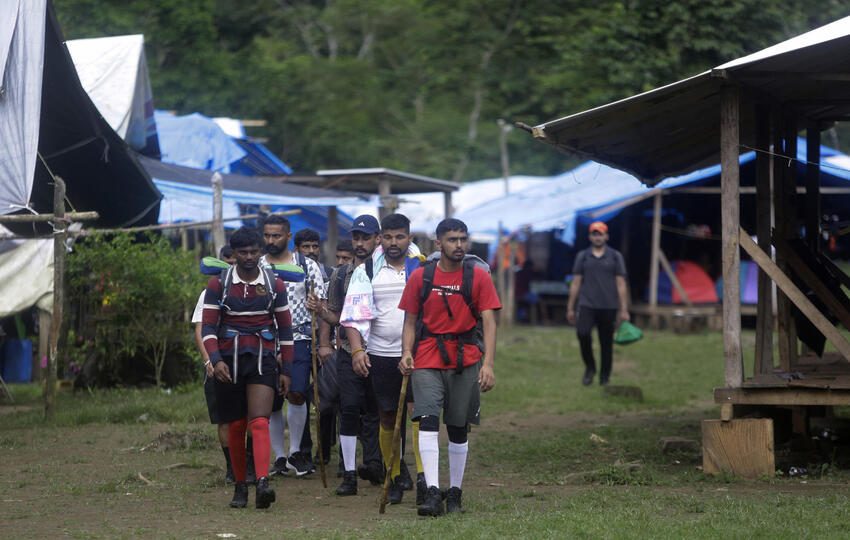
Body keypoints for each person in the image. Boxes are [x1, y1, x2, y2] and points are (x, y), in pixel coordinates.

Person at [399, 218, 500, 516]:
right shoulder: (421, 277)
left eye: (463, 239)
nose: (459, 245)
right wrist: (406, 352)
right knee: (427, 420)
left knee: (458, 426)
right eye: (452, 239)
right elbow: (409, 321)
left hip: (466, 357)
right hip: (427, 356)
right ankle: (432, 492)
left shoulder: (478, 276)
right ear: (438, 243)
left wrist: (488, 364)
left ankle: (455, 493)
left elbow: (490, 322)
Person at [202, 227, 294, 509]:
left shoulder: (275, 284)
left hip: (263, 359)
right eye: (243, 253)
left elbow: (285, 330)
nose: (249, 257)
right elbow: (207, 328)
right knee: (237, 424)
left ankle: (263, 482)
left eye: (254, 252)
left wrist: (287, 370)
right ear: (234, 253)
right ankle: (240, 486)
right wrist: (215, 360)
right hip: (228, 361)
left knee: (259, 421)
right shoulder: (218, 284)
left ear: (260, 252)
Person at [340, 213, 424, 505]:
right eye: (388, 237)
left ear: (409, 238)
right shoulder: (367, 270)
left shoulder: (421, 268)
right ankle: (396, 475)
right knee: (387, 415)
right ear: (380, 239)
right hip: (380, 354)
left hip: (419, 353)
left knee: (419, 412)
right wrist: (357, 351)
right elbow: (352, 316)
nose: (393, 242)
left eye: (400, 236)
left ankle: (424, 478)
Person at [316, 215, 384, 495]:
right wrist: (321, 312)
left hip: (380, 350)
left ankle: (376, 464)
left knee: (377, 410)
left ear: (377, 239)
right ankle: (349, 473)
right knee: (349, 409)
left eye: (366, 238)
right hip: (347, 349)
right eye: (356, 237)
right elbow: (336, 316)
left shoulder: (386, 272)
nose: (360, 243)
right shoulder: (341, 275)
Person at [261, 215, 327, 477]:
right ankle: (279, 456)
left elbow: (322, 305)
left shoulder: (306, 266)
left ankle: (295, 452)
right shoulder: (258, 266)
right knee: (271, 400)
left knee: (297, 393)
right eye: (267, 235)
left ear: (288, 237)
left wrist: (317, 305)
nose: (271, 240)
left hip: (298, 337)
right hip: (265, 339)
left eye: (276, 235)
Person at [192, 246, 241, 484]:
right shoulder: (209, 292)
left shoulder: (251, 290)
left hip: (244, 360)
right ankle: (231, 468)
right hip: (216, 360)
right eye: (227, 263)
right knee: (224, 419)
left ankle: (248, 465)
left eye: (234, 262)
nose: (231, 267)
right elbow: (200, 330)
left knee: (248, 417)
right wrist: (208, 360)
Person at [566, 221, 630, 386]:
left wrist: (623, 309)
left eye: (600, 234)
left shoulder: (615, 256)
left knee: (606, 343)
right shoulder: (583, 256)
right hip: (587, 304)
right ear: (590, 237)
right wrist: (570, 307)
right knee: (582, 334)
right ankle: (590, 367)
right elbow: (576, 282)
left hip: (609, 305)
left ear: (606, 236)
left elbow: (621, 284)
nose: (597, 237)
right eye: (594, 234)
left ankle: (604, 378)